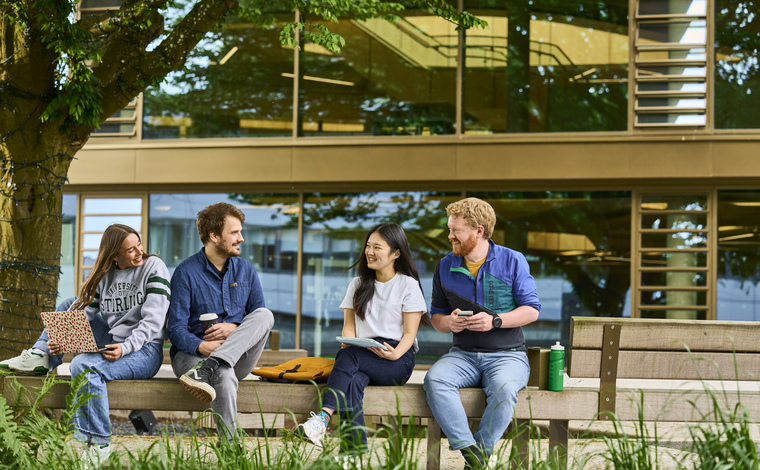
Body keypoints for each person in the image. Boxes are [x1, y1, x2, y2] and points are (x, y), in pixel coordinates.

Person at [0, 224, 171, 468]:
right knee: (71, 303)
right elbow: (86, 312)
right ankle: (42, 354)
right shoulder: (105, 274)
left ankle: (99, 445)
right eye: (130, 250)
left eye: (139, 245)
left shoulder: (154, 267)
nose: (139, 253)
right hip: (113, 338)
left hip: (144, 349)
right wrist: (62, 339)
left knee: (84, 365)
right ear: (114, 255)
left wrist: (125, 348)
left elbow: (153, 321)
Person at [423, 198, 540, 470]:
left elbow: (532, 311)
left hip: (507, 355)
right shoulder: (444, 265)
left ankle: (480, 455)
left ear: (479, 230)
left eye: (457, 230)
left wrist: (495, 321)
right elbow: (436, 316)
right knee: (435, 379)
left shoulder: (513, 260)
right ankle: (470, 452)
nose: (450, 235)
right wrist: (448, 323)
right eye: (450, 229)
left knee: (504, 389)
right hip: (462, 355)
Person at [295, 223, 427, 456]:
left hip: (397, 359)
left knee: (349, 357)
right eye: (368, 246)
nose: (370, 251)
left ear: (396, 253)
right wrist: (349, 341)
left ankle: (323, 417)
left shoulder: (408, 285)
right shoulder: (357, 284)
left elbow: (410, 334)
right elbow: (349, 326)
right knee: (353, 379)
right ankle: (354, 453)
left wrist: (396, 353)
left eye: (378, 247)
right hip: (363, 352)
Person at [168, 202, 274, 443]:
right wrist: (203, 347)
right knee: (223, 375)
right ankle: (230, 449)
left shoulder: (247, 270)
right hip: (193, 359)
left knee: (265, 314)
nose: (241, 238)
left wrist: (234, 329)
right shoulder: (185, 273)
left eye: (240, 231)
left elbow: (258, 321)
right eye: (235, 232)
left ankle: (213, 365)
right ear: (214, 236)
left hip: (238, 358)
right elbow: (175, 330)